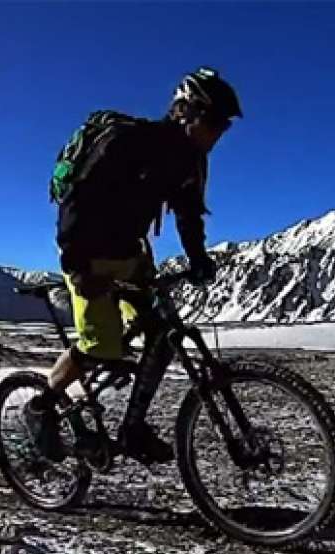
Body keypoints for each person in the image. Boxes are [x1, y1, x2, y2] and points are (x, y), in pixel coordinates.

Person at [24, 67, 241, 464]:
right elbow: (77, 200)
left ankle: (133, 427)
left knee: (161, 335)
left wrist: (198, 260)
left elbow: (189, 215)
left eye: (223, 126)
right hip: (89, 254)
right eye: (213, 122)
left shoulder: (191, 164)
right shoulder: (128, 141)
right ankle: (41, 407)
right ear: (185, 113)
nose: (218, 133)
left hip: (132, 255)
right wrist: (76, 264)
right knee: (98, 347)